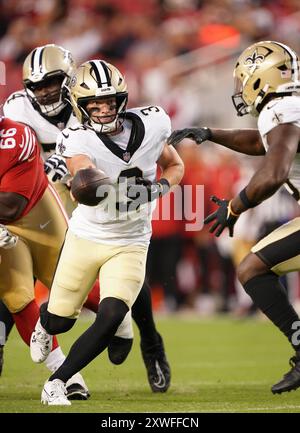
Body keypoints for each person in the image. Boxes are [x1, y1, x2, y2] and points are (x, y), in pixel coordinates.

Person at [3, 44, 172, 393]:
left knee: (121, 255)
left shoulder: (93, 103)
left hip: (96, 189)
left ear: (69, 81)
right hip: (40, 189)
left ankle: (147, 338)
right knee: (15, 264)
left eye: (52, 81)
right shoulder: (17, 108)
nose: (45, 90)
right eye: (37, 85)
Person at [167, 40, 300, 394]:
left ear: (261, 78)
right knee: (252, 267)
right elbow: (263, 143)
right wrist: (212, 135)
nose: (242, 88)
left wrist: (233, 207)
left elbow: (273, 172)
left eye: (245, 79)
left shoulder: (283, 108)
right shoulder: (289, 106)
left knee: (252, 268)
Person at [0, 115, 89, 399]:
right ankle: (67, 373)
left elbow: (12, 206)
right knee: (16, 294)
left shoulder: (16, 136)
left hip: (36, 216)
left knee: (72, 281)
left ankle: (121, 322)